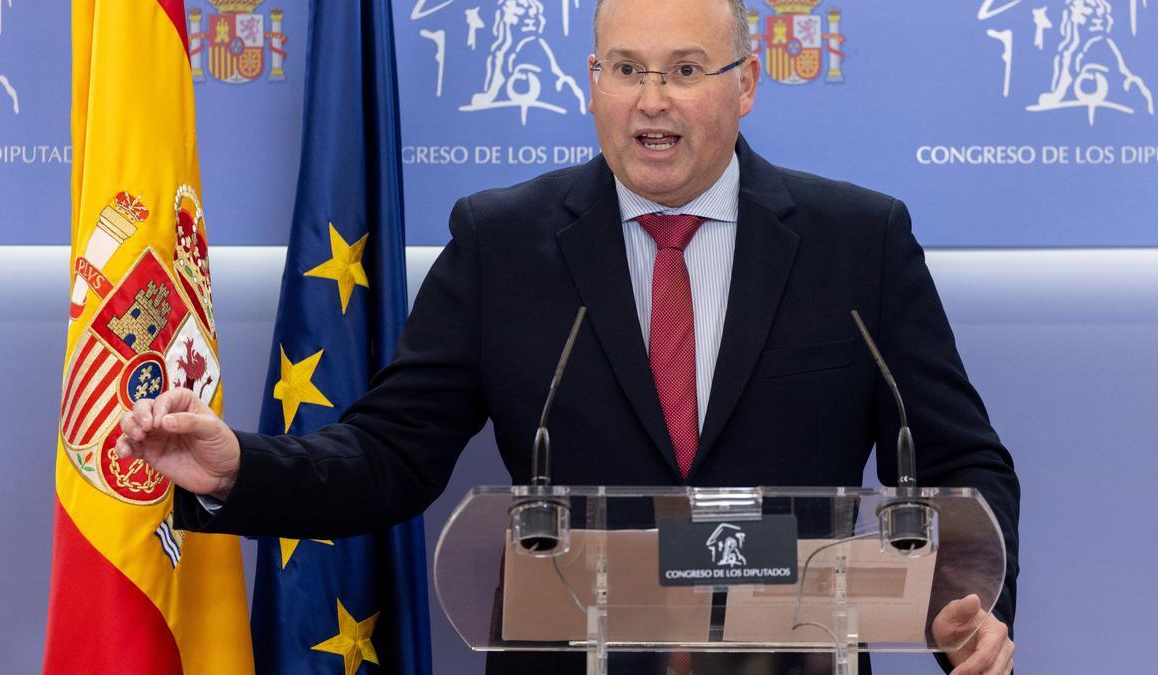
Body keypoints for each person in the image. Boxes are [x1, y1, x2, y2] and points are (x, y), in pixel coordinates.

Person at [117, 0, 1019, 672]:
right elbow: (387, 454)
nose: (650, 100)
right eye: (625, 69)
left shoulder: (856, 241)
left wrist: (965, 608)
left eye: (684, 69)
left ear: (747, 82)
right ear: (591, 82)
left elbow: (965, 461)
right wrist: (236, 465)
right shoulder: (502, 241)